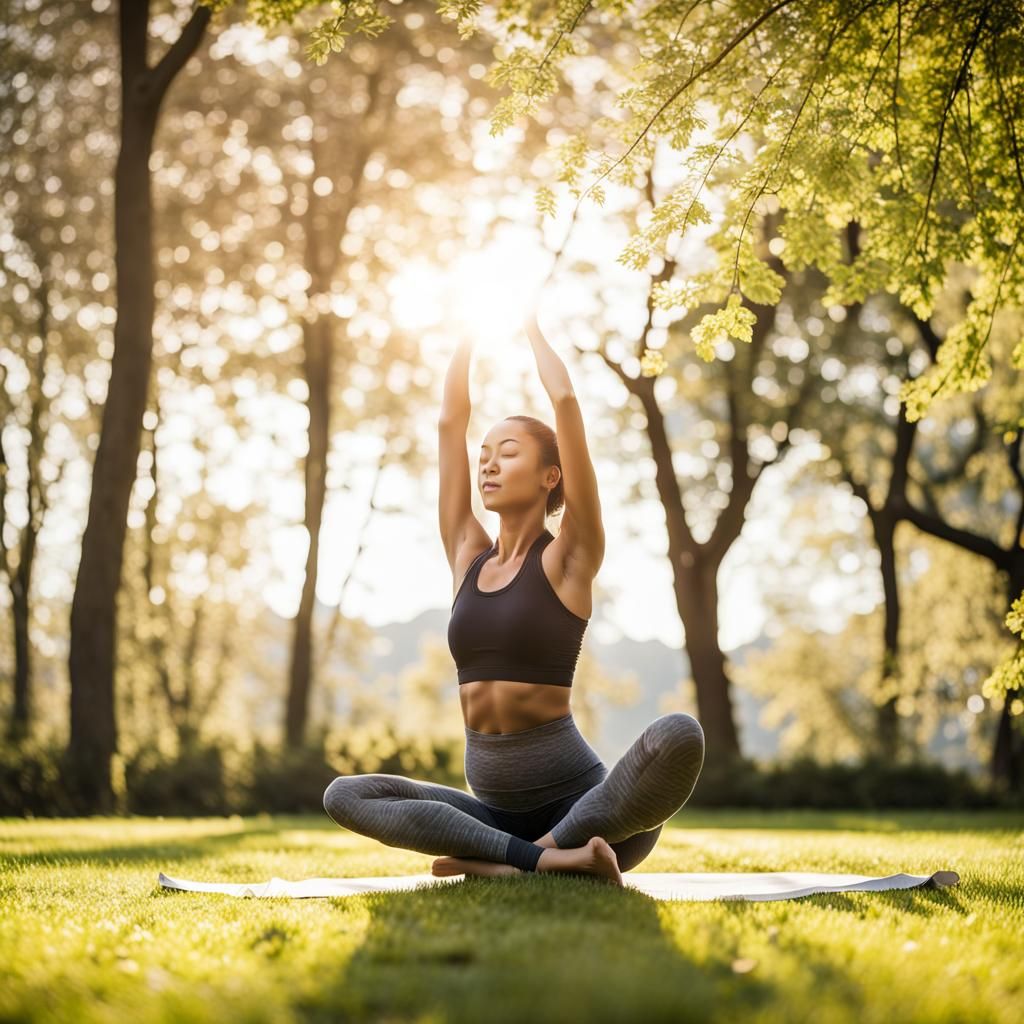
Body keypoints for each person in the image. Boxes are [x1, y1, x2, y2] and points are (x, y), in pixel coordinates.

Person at [323, 308, 705, 886]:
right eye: (485, 457)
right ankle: (539, 862)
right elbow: (451, 423)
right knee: (347, 793)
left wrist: (530, 327)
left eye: (508, 452)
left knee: (681, 734)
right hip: (496, 814)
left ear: (552, 476)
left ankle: (527, 857)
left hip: (591, 818)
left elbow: (567, 407)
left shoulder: (569, 558)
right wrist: (465, 332)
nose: (489, 464)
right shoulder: (466, 556)